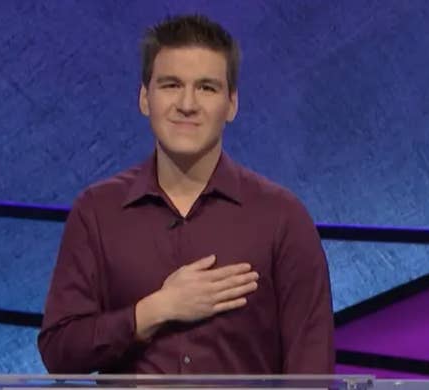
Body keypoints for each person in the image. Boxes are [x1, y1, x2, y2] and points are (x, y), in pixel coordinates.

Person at [37, 13, 334, 375]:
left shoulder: (282, 217)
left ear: (232, 104)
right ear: (145, 98)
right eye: (171, 85)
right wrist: (155, 310)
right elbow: (59, 351)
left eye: (207, 87)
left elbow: (311, 368)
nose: (188, 104)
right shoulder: (97, 211)